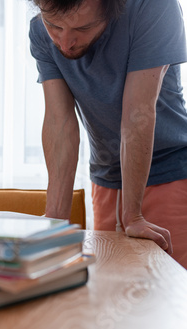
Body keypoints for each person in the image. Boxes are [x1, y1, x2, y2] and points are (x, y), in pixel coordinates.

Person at [29, 0, 187, 268]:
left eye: (83, 27)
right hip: (106, 176)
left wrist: (133, 216)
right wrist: (55, 223)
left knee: (167, 292)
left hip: (169, 171)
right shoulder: (39, 30)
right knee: (109, 285)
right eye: (54, 26)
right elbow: (60, 122)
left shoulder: (154, 8)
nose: (65, 43)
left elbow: (138, 113)